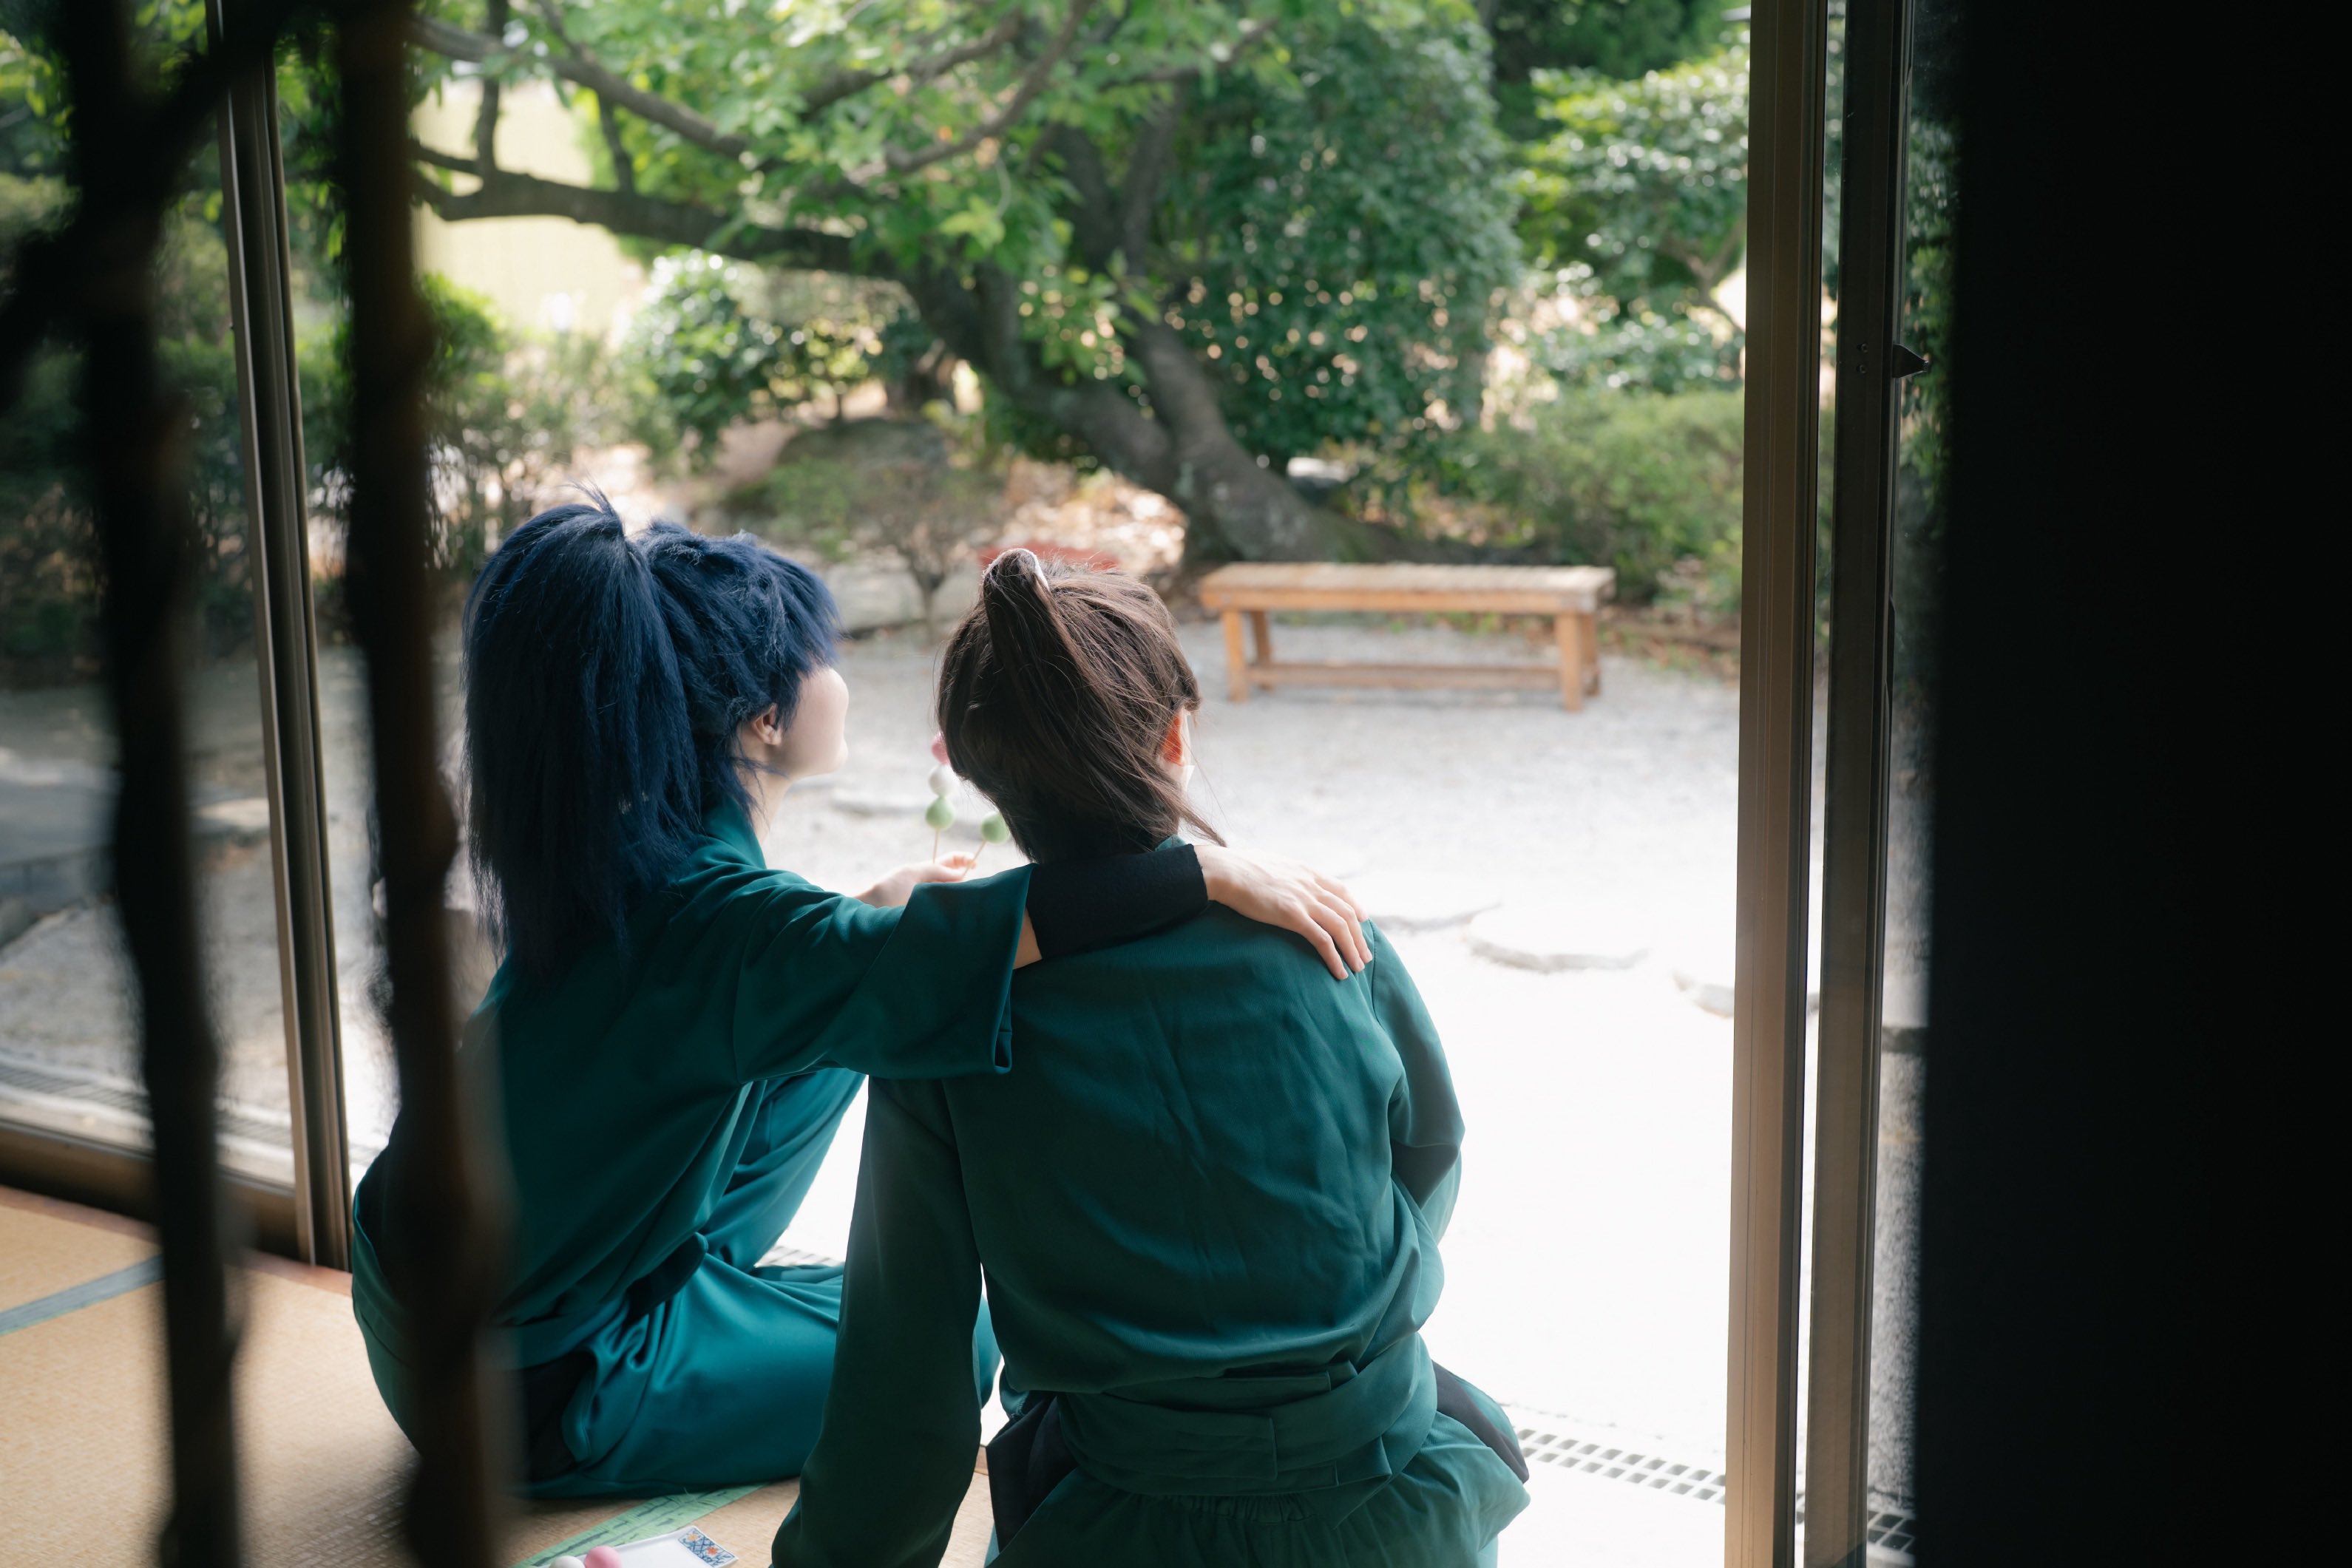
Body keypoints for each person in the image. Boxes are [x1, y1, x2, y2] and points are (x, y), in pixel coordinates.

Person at [350, 506, 1369, 1499]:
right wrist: (1203, 872)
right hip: (527, 1384)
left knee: (849, 1023)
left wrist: (875, 912)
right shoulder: (729, 927)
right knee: (953, 1338)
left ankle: (692, 1302)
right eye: (819, 657)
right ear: (764, 719)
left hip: (439, 1294)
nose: (836, 674)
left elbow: (795, 969)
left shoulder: (626, 861)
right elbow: (931, 951)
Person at [772, 551, 1529, 1567]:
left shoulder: (952, 1008)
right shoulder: (1325, 934)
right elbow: (1426, 1158)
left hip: (1120, 1527)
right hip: (1400, 1513)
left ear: (972, 771)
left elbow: (906, 1374)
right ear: (1177, 736)